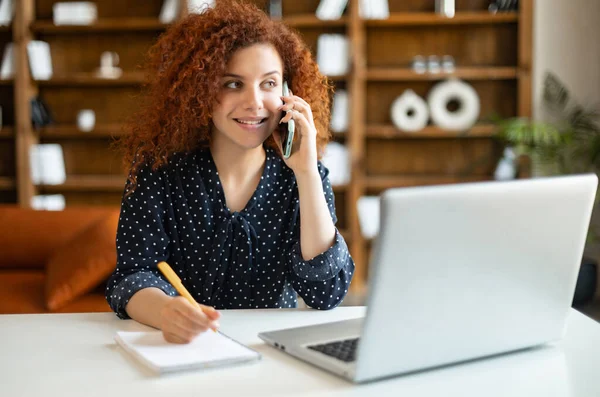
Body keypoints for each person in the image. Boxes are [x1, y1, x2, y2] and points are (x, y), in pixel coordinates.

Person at [105, 0, 355, 344]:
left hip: (268, 352)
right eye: (233, 84)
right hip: (182, 351)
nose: (254, 102)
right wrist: (166, 311)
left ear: (287, 93)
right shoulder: (159, 171)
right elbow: (131, 275)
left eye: (268, 84)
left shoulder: (304, 177)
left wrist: (307, 173)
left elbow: (326, 293)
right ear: (202, 90)